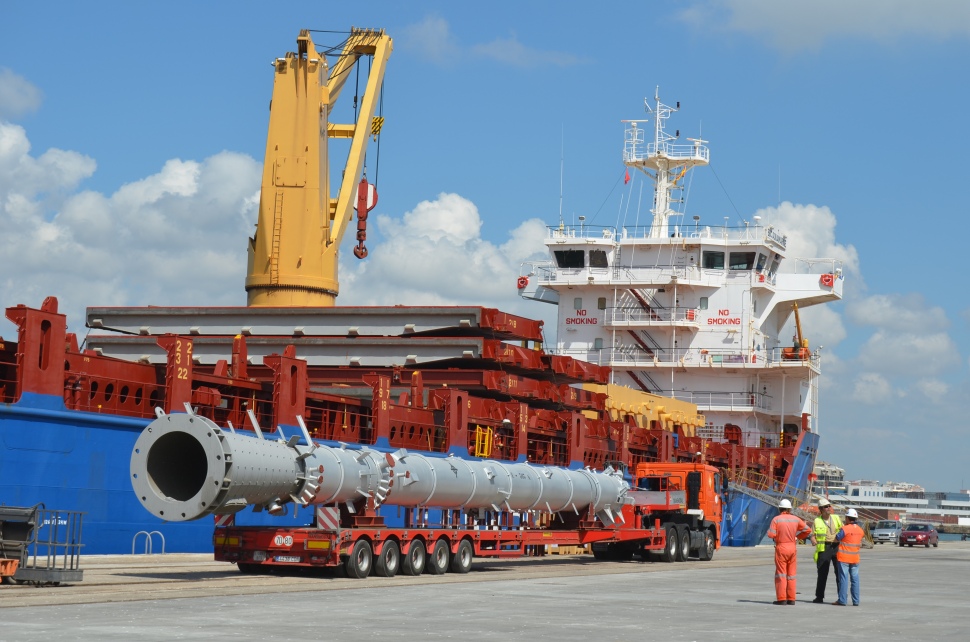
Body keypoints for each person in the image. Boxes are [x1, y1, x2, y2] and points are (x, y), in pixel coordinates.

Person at [767, 498, 813, 605]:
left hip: (781, 548)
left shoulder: (776, 519)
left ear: (780, 508)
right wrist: (797, 537)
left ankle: (782, 599)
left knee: (781, 574)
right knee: (791, 574)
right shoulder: (796, 519)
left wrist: (777, 535)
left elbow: (771, 535)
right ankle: (791, 598)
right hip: (792, 548)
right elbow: (808, 530)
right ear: (790, 509)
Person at [810, 498, 843, 604]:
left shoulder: (836, 518)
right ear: (821, 509)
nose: (829, 508)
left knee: (839, 573)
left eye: (829, 506)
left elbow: (843, 530)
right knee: (822, 573)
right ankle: (819, 597)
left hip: (836, 547)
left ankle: (841, 597)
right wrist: (813, 539)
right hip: (824, 548)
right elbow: (812, 534)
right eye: (826, 506)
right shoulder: (817, 521)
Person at [833, 508, 864, 606]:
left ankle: (842, 600)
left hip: (844, 558)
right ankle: (856, 601)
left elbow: (837, 538)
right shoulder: (860, 530)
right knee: (855, 579)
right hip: (855, 559)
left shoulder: (845, 529)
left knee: (843, 578)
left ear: (847, 518)